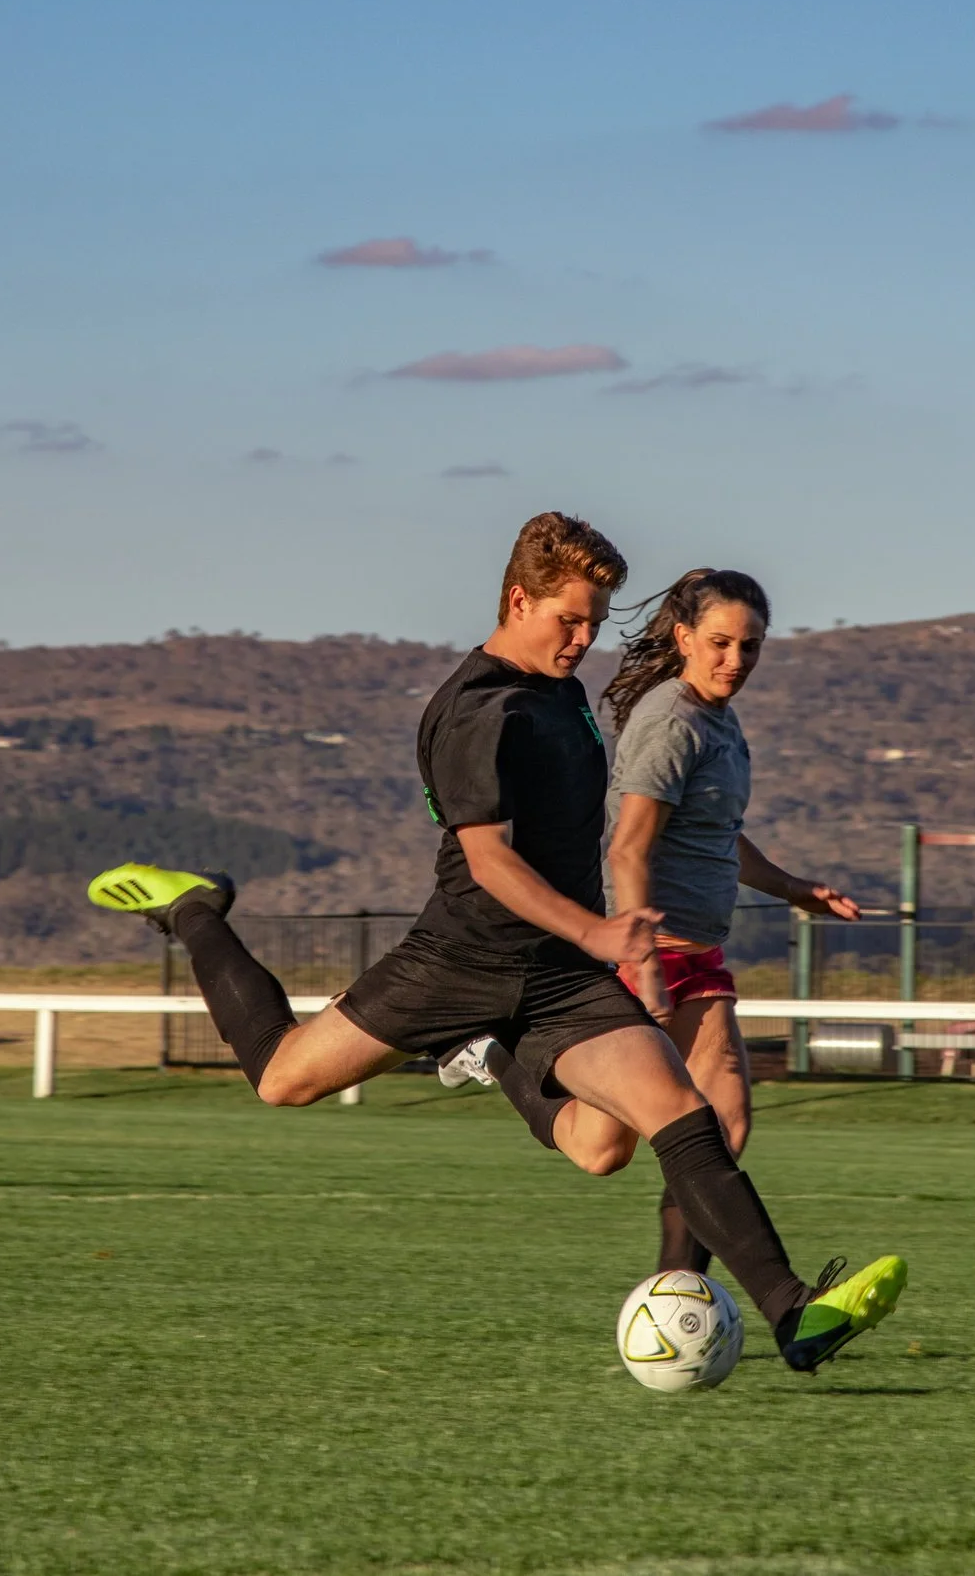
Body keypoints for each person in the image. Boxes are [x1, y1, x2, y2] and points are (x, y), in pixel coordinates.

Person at [85, 512, 904, 1372]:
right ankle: (197, 911)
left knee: (645, 1128)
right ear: (519, 598)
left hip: (557, 972)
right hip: (460, 958)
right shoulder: (476, 711)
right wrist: (602, 929)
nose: (584, 640)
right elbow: (489, 863)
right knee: (281, 1077)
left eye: (593, 623)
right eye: (570, 620)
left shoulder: (561, 692)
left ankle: (794, 1315)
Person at [478, 567, 864, 1272]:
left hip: (701, 957)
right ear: (685, 637)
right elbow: (627, 847)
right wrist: (643, 964)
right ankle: (498, 1054)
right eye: (720, 643)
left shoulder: (721, 720)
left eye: (750, 647)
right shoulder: (672, 719)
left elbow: (718, 832)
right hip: (648, 953)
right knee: (602, 1151)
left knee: (723, 1124)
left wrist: (793, 887)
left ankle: (678, 1297)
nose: (735, 661)